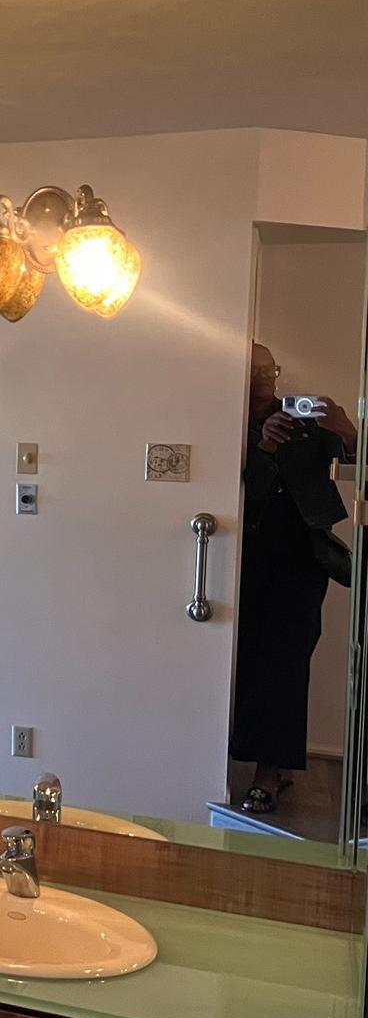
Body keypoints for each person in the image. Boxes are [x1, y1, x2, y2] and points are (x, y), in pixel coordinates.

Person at [230, 344, 356, 814]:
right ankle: (247, 763)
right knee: (241, 660)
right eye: (254, 371)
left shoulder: (303, 418)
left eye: (269, 370)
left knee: (286, 660)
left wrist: (346, 430)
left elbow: (353, 461)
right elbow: (244, 491)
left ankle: (269, 773)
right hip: (241, 556)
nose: (264, 379)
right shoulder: (221, 415)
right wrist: (261, 445)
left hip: (302, 558)